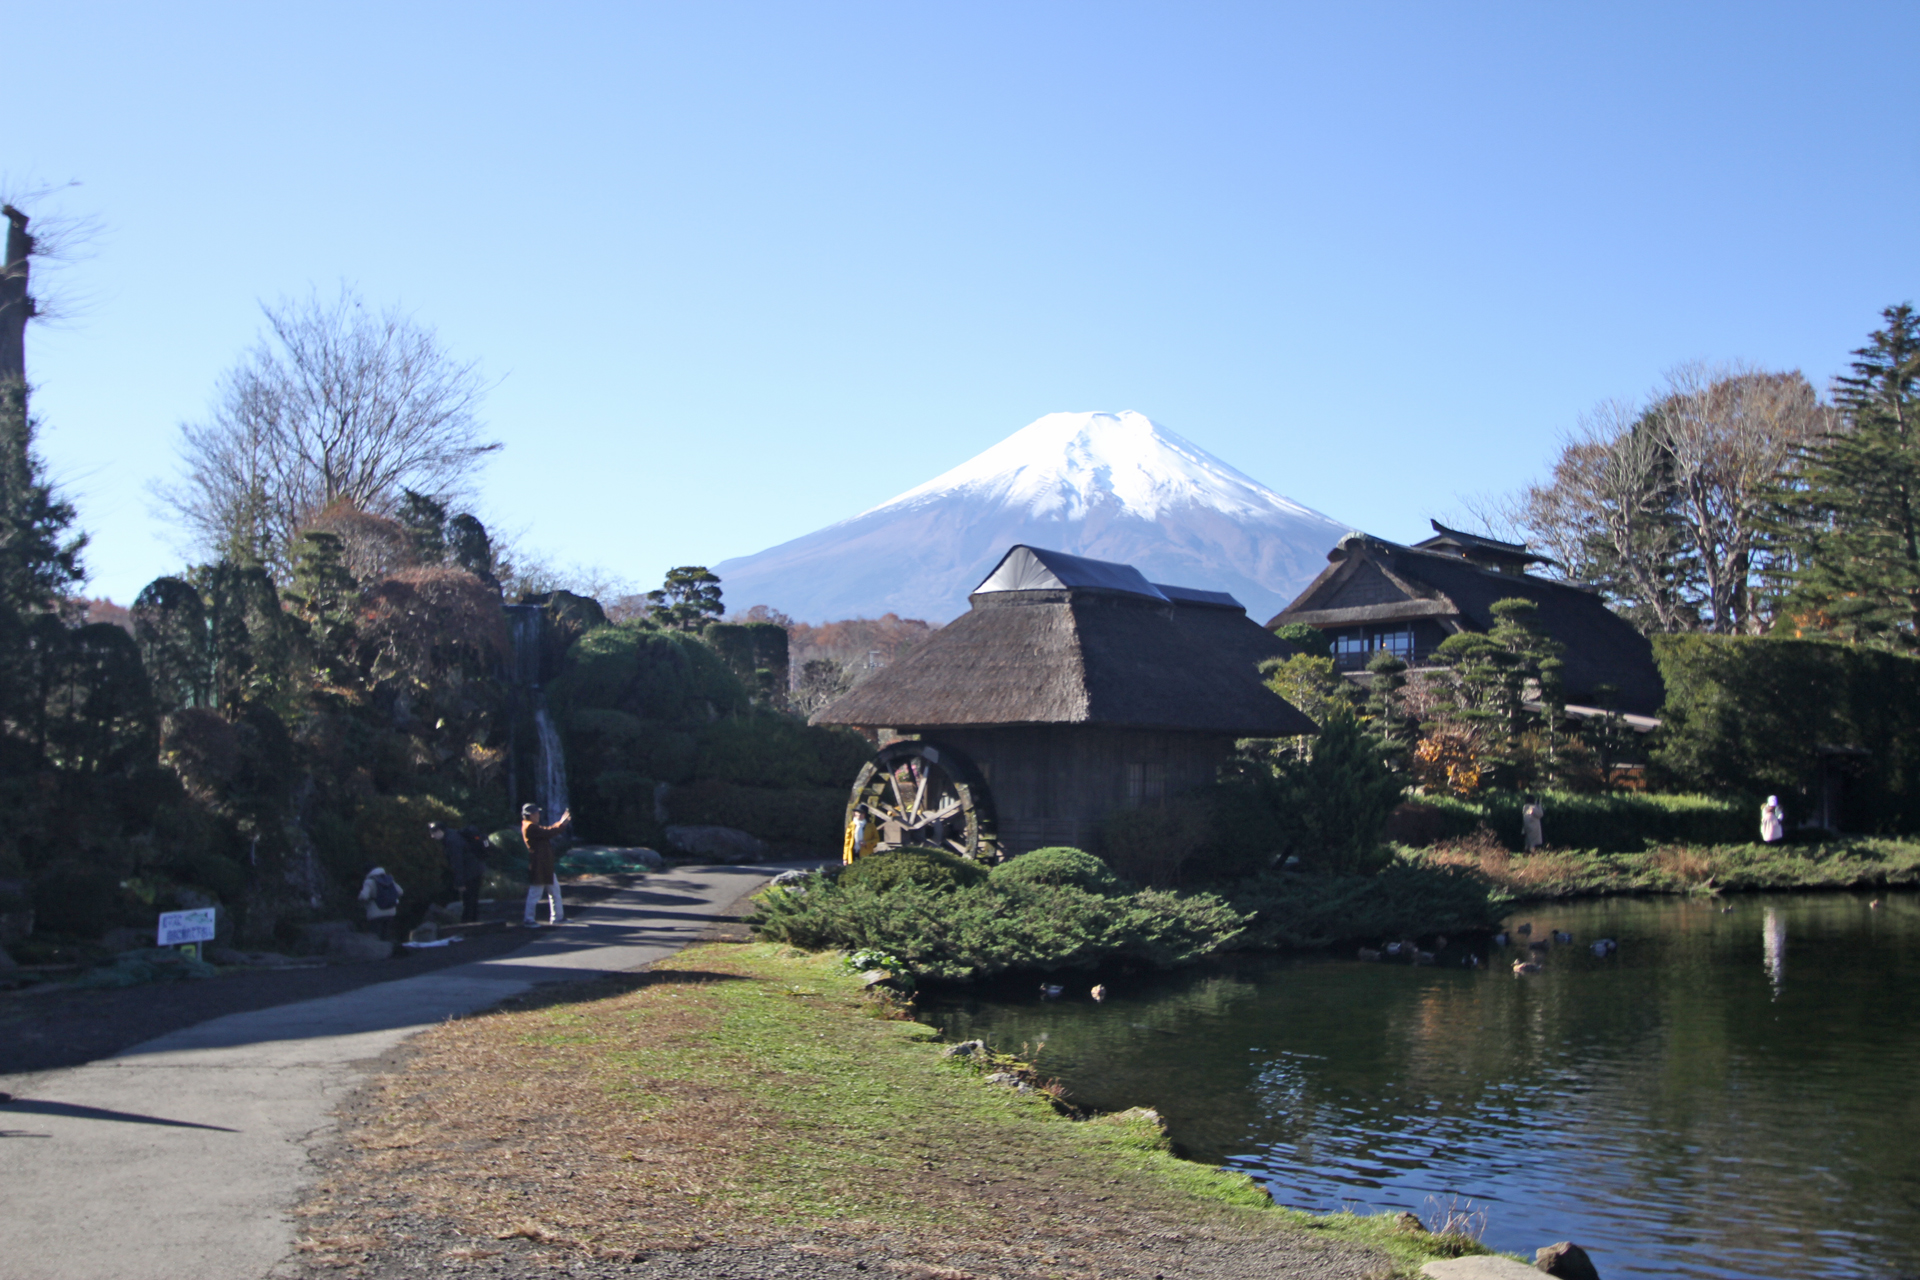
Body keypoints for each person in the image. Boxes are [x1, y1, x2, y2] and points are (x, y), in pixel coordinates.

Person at [521, 802, 572, 926]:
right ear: (530, 815)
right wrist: (562, 823)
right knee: (535, 893)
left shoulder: (531, 825)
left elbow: (547, 831)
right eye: (536, 813)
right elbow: (548, 832)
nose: (538, 815)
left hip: (545, 865)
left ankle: (557, 917)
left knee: (555, 891)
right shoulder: (530, 827)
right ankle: (528, 919)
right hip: (540, 865)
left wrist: (561, 823)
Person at [430, 821, 487, 924]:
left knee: (469, 901)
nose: (432, 836)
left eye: (434, 833)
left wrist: (460, 882)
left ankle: (469, 925)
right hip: (475, 869)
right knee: (472, 900)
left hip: (470, 872)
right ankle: (472, 923)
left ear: (439, 831)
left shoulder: (452, 840)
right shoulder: (452, 835)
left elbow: (457, 862)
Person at [358, 865, 401, 940]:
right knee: (386, 936)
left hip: (375, 913)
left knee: (375, 938)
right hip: (391, 912)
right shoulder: (389, 879)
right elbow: (400, 891)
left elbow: (363, 896)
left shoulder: (369, 881)